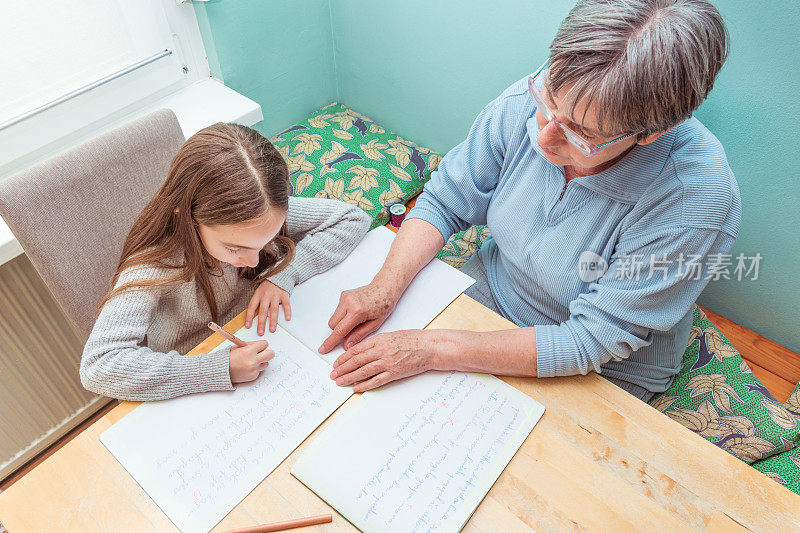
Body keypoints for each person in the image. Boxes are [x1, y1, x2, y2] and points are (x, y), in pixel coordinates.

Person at [319, 0, 741, 402]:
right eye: (548, 100)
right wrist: (384, 287)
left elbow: (590, 340)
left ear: (652, 133)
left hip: (603, 365)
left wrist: (432, 349)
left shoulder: (694, 203)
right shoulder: (538, 97)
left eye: (582, 134)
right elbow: (446, 201)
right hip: (492, 291)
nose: (544, 137)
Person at [81, 123, 371, 401]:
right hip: (192, 373)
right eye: (235, 249)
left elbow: (353, 219)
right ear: (188, 216)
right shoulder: (154, 264)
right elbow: (99, 366)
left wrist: (284, 274)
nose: (254, 260)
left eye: (264, 242)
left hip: (261, 340)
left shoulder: (260, 211)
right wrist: (217, 369)